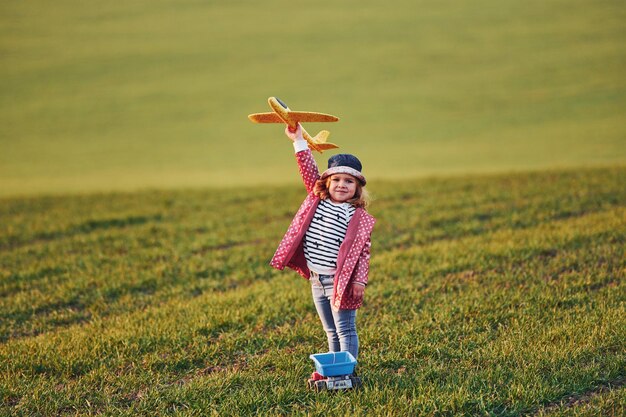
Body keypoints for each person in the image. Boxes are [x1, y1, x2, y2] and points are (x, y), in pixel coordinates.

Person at [270, 125, 376, 361]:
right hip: (316, 280)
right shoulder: (317, 200)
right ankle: (334, 366)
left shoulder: (356, 217)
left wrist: (359, 279)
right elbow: (308, 170)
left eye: (349, 181)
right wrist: (298, 140)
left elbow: (363, 252)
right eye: (336, 179)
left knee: (345, 329)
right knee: (330, 329)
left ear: (357, 188)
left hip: (340, 281)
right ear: (326, 182)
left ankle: (347, 370)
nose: (341, 185)